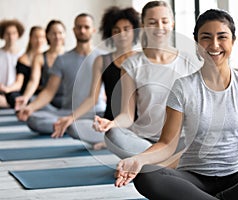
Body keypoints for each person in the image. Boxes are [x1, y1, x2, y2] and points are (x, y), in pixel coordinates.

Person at [114, 9, 238, 200]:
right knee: (146, 175)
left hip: (235, 178)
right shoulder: (182, 87)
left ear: (233, 41)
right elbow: (167, 144)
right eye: (206, 38)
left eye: (222, 37)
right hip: (192, 179)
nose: (214, 45)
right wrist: (138, 159)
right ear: (197, 44)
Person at [93, 1, 200, 158]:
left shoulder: (189, 62)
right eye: (152, 22)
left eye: (164, 21)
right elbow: (127, 115)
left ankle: (147, 163)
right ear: (143, 25)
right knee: (113, 136)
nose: (159, 26)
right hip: (144, 140)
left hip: (180, 140)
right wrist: (111, 123)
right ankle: (158, 162)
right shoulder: (131, 64)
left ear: (172, 23)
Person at [51, 6, 140, 150]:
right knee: (74, 127)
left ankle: (114, 142)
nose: (121, 34)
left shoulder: (141, 59)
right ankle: (112, 140)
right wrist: (70, 118)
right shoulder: (101, 60)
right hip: (109, 123)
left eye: (126, 29)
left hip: (136, 124)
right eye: (116, 30)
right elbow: (92, 98)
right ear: (110, 33)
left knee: (128, 134)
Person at [17, 13, 106, 145]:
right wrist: (30, 108)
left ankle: (71, 126)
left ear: (93, 30)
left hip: (96, 113)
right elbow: (48, 92)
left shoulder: (104, 57)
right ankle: (70, 125)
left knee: (80, 126)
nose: (82, 30)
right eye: (79, 27)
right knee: (33, 119)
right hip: (67, 111)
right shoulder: (63, 59)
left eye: (86, 27)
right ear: (74, 30)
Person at [14, 20, 66, 111]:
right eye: (53, 33)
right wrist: (25, 97)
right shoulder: (40, 58)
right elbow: (34, 81)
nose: (57, 36)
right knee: (33, 109)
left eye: (60, 33)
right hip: (47, 101)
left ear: (64, 35)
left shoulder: (71, 56)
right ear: (48, 35)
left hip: (67, 100)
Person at [0, 26, 46, 108]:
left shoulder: (47, 57)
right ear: (30, 38)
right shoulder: (23, 58)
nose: (39, 40)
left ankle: (26, 103)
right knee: (12, 95)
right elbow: (19, 83)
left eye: (42, 37)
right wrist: (7, 89)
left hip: (41, 93)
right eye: (36, 37)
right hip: (25, 93)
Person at [0, 19, 25, 108]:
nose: (11, 37)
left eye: (14, 33)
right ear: (3, 35)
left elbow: (20, 81)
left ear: (18, 34)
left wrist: (7, 89)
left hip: (15, 91)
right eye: (8, 33)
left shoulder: (23, 55)